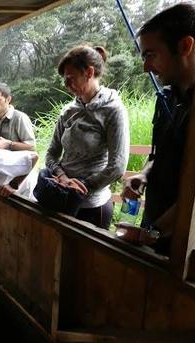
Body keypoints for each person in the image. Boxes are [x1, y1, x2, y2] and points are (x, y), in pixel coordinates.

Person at [121, 2, 195, 253]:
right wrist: (144, 174)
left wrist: (152, 234)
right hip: (154, 227)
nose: (146, 67)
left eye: (150, 55)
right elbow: (157, 155)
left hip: (187, 244)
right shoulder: (166, 98)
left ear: (185, 46)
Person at [36, 45, 129, 229]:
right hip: (61, 200)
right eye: (64, 80)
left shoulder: (113, 110)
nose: (66, 85)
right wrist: (62, 177)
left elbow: (117, 166)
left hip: (93, 206)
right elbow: (51, 154)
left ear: (89, 72)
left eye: (70, 79)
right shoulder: (68, 111)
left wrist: (82, 187)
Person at [0, 82, 35, 151]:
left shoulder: (20, 118)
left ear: (8, 99)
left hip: (15, 161)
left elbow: (31, 146)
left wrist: (10, 144)